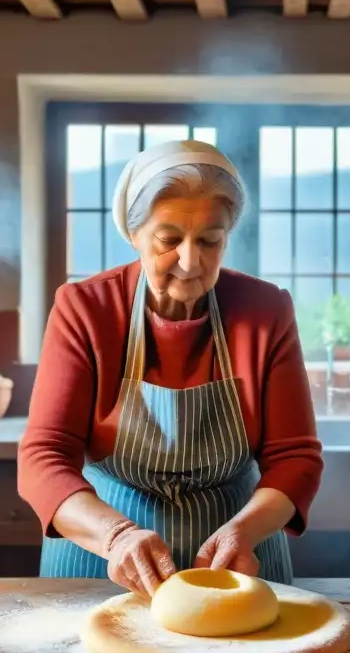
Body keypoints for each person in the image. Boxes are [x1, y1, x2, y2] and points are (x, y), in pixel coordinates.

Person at [17, 139, 323, 598]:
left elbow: (295, 457)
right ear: (134, 233)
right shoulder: (86, 308)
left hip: (235, 561)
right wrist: (116, 536)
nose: (189, 260)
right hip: (100, 558)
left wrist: (244, 530)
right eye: (168, 240)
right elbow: (43, 456)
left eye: (209, 240)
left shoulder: (266, 310)